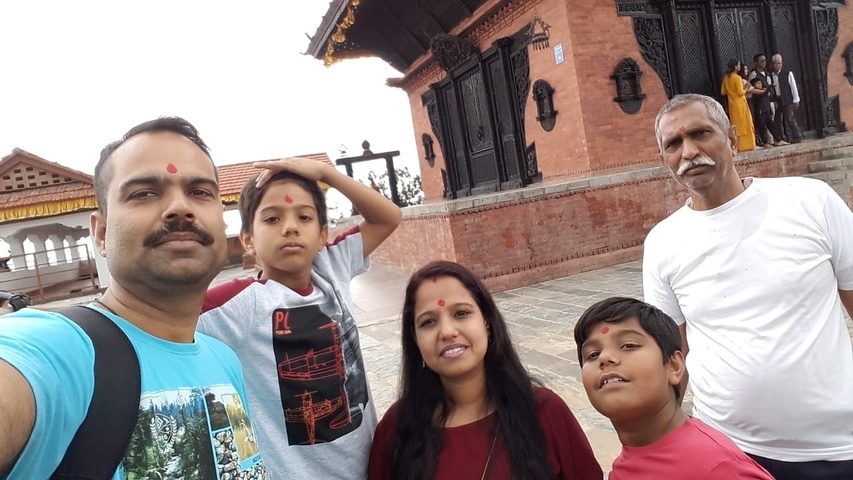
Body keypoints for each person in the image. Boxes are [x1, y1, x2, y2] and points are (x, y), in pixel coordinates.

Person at [0, 118, 268, 478]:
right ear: (102, 233)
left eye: (200, 192)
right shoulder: (58, 350)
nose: (180, 207)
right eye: (144, 193)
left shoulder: (225, 361)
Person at [646, 93, 853, 479]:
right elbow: (673, 354)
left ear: (733, 138)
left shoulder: (811, 201)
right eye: (673, 144)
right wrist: (661, 445)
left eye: (701, 134)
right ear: (664, 160)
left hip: (835, 448)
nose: (689, 152)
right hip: (725, 452)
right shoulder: (662, 243)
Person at [199, 158, 402, 478]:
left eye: (304, 217)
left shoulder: (332, 266)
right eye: (272, 218)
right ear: (248, 240)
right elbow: (159, 313)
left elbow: (388, 217)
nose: (290, 227)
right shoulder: (241, 304)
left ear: (322, 234)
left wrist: (326, 174)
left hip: (368, 462)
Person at [368, 261, 603, 480]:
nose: (447, 331)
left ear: (487, 323)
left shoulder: (545, 412)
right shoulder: (396, 428)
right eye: (428, 322)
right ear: (415, 339)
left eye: (461, 313)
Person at [574, 297, 774, 479]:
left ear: (674, 366)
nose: (605, 358)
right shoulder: (626, 463)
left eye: (628, 345)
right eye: (592, 354)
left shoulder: (719, 468)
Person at [720, 58, 756, 152]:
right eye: (739, 65)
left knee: (736, 124)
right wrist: (746, 88)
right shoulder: (737, 78)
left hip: (732, 105)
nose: (740, 66)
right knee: (744, 124)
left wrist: (731, 92)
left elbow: (723, 92)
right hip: (740, 104)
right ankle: (746, 145)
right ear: (735, 67)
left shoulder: (726, 78)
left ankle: (738, 145)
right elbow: (740, 92)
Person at [770, 54, 803, 144]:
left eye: (779, 63)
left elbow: (793, 86)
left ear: (782, 64)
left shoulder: (787, 73)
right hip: (777, 100)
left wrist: (796, 99)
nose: (777, 65)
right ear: (772, 64)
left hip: (787, 99)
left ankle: (797, 136)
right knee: (778, 120)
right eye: (775, 64)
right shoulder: (770, 75)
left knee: (790, 118)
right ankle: (781, 137)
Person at [749, 77, 788, 148]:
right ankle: (765, 142)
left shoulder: (763, 90)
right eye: (757, 84)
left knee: (772, 125)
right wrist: (771, 86)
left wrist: (770, 110)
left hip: (766, 111)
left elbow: (767, 99)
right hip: (760, 113)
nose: (760, 85)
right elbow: (763, 94)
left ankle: (778, 140)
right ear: (753, 86)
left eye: (760, 83)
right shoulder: (755, 93)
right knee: (762, 128)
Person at [748, 53, 777, 146]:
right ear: (756, 63)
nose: (764, 62)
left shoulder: (767, 74)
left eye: (765, 60)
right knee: (763, 124)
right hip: (760, 103)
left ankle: (774, 140)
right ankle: (767, 142)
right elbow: (753, 89)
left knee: (771, 121)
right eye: (761, 61)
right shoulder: (753, 75)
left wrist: (773, 99)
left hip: (768, 101)